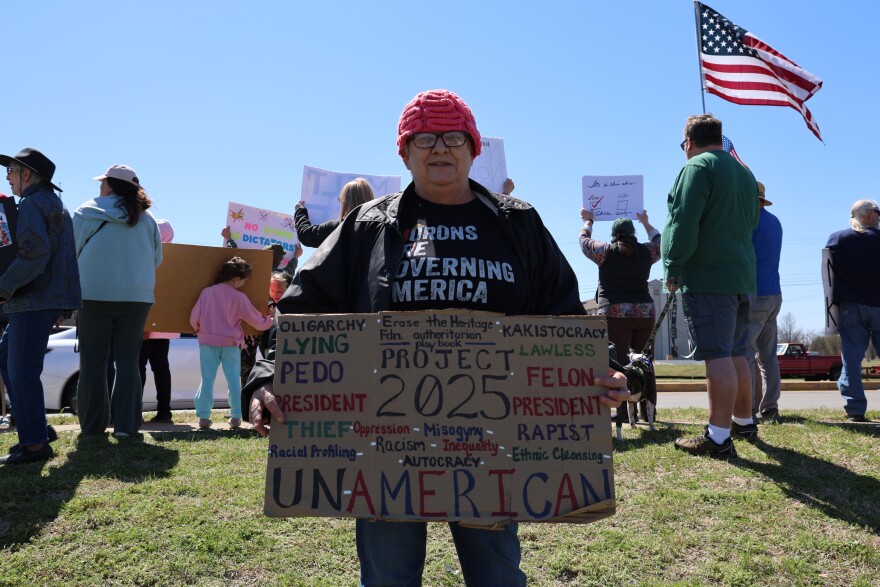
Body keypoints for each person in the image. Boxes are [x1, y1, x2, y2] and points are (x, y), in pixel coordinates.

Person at [241, 89, 632, 586]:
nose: (440, 148)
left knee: (497, 576)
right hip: (385, 446)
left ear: (473, 149)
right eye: (424, 138)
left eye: (453, 137)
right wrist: (267, 375)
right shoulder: (367, 225)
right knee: (388, 578)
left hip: (494, 442)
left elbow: (562, 313)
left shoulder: (518, 222)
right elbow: (302, 305)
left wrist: (606, 367)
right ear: (405, 153)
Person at [661, 114, 760, 459]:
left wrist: (673, 265)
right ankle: (744, 421)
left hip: (709, 279)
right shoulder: (745, 174)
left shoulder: (696, 167)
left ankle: (717, 438)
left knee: (717, 356)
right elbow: (752, 222)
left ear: (688, 142)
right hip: (742, 277)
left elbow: (682, 221)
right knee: (737, 354)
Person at [0, 148, 81, 464]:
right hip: (43, 299)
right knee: (7, 357)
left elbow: (34, 256)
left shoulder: (32, 204)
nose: (8, 177)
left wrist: (3, 287)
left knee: (22, 370)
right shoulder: (53, 202)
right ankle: (37, 429)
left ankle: (34, 445)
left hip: (31, 300)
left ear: (27, 174)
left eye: (11, 171)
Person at [73, 164, 162, 439]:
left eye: (102, 182)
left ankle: (91, 428)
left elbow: (70, 252)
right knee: (128, 362)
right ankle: (126, 426)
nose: (100, 186)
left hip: (93, 295)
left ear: (109, 185)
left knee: (93, 362)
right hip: (137, 298)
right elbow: (157, 259)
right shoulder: (147, 219)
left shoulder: (86, 211)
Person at [190, 256, 272, 429]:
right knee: (234, 380)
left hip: (208, 341)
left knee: (207, 379)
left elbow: (193, 318)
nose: (244, 283)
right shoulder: (239, 297)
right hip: (231, 344)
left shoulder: (207, 292)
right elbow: (257, 321)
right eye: (244, 280)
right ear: (236, 279)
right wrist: (269, 320)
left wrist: (199, 329)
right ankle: (236, 416)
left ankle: (203, 417)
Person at [220, 227, 302, 386]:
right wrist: (296, 257)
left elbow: (236, 256)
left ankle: (247, 391)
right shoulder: (281, 275)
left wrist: (229, 239)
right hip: (268, 325)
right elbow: (291, 267)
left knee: (247, 365)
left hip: (251, 325)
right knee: (269, 360)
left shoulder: (252, 271)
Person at [825, 199, 880, 422]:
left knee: (851, 360)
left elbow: (827, 267)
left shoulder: (838, 239)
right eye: (877, 212)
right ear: (868, 214)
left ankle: (855, 409)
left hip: (851, 307)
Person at [745, 182, 784, 424]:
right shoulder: (775, 221)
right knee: (768, 356)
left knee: (746, 353)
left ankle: (747, 409)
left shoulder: (749, 222)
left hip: (755, 295)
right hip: (774, 294)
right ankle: (770, 408)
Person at [140, 219, 179, 424]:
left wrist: (145, 324)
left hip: (148, 323)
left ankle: (134, 410)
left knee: (138, 367)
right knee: (161, 368)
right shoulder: (176, 258)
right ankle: (164, 411)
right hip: (165, 326)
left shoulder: (151, 255)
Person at [294, 178, 374, 248]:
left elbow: (307, 235)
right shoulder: (378, 228)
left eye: (340, 200)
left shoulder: (338, 227)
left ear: (346, 202)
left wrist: (300, 211)